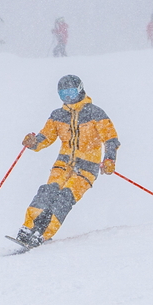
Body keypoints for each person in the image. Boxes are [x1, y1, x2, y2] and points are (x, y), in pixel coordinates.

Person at [14, 75, 120, 248]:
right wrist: (34, 143)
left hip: (86, 168)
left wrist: (109, 159)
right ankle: (29, 227)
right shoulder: (58, 115)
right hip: (62, 165)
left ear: (79, 90)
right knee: (48, 192)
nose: (68, 98)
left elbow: (111, 139)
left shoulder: (95, 113)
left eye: (70, 93)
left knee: (65, 197)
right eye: (63, 95)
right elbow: (45, 137)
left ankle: (43, 232)